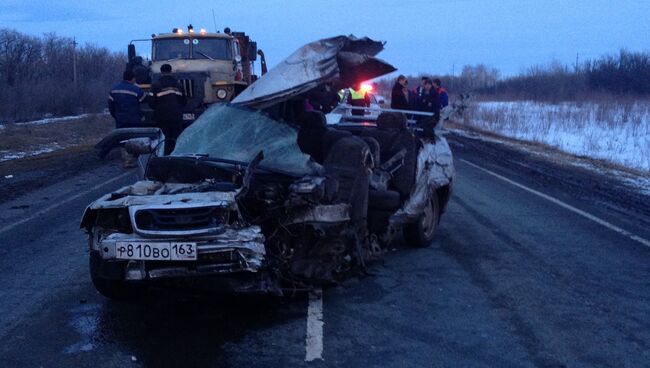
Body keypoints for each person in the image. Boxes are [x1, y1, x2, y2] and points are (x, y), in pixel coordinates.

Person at [108, 70, 146, 168]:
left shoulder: (114, 89)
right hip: (134, 119)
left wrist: (116, 116)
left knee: (123, 139)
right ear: (133, 78)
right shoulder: (136, 90)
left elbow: (111, 106)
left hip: (120, 119)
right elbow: (144, 102)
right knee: (134, 139)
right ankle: (134, 159)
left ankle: (126, 160)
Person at [149, 64, 186, 155]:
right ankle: (176, 156)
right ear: (171, 72)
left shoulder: (155, 86)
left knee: (163, 139)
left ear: (161, 73)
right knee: (176, 138)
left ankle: (163, 157)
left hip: (161, 117)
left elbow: (151, 102)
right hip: (176, 117)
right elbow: (184, 101)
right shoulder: (179, 85)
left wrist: (158, 109)